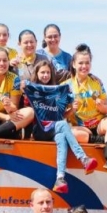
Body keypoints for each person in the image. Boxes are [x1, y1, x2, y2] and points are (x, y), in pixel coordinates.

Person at [23, 60, 97, 193]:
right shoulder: (32, 90)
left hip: (54, 129)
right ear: (37, 73)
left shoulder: (58, 91)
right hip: (39, 130)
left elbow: (61, 116)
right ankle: (83, 158)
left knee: (62, 136)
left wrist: (72, 110)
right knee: (63, 125)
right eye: (42, 72)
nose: (45, 75)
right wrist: (24, 87)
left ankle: (60, 179)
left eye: (48, 72)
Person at [63, 44, 107, 171]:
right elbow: (60, 115)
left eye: (87, 63)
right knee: (69, 132)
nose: (84, 66)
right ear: (73, 64)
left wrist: (101, 106)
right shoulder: (65, 86)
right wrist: (71, 109)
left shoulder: (96, 83)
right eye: (81, 63)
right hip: (82, 128)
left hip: (99, 124)